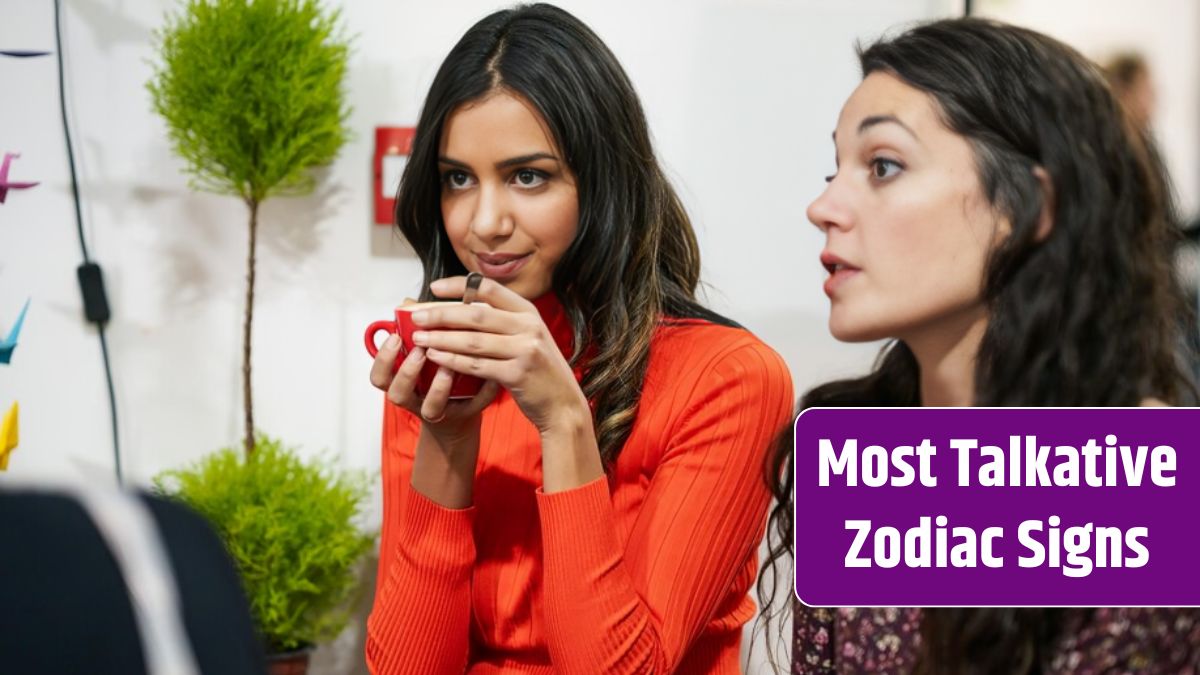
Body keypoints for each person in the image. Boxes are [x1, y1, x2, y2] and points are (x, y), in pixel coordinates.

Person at [760, 17, 1200, 674]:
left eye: (883, 165)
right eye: (835, 168)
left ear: (1025, 208)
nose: (824, 205)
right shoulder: (858, 465)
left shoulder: (1152, 484)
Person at [365, 4, 793, 673]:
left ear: (601, 180)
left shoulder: (727, 377)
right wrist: (446, 438)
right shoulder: (442, 369)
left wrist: (563, 420)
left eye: (527, 176)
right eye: (457, 178)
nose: (484, 222)